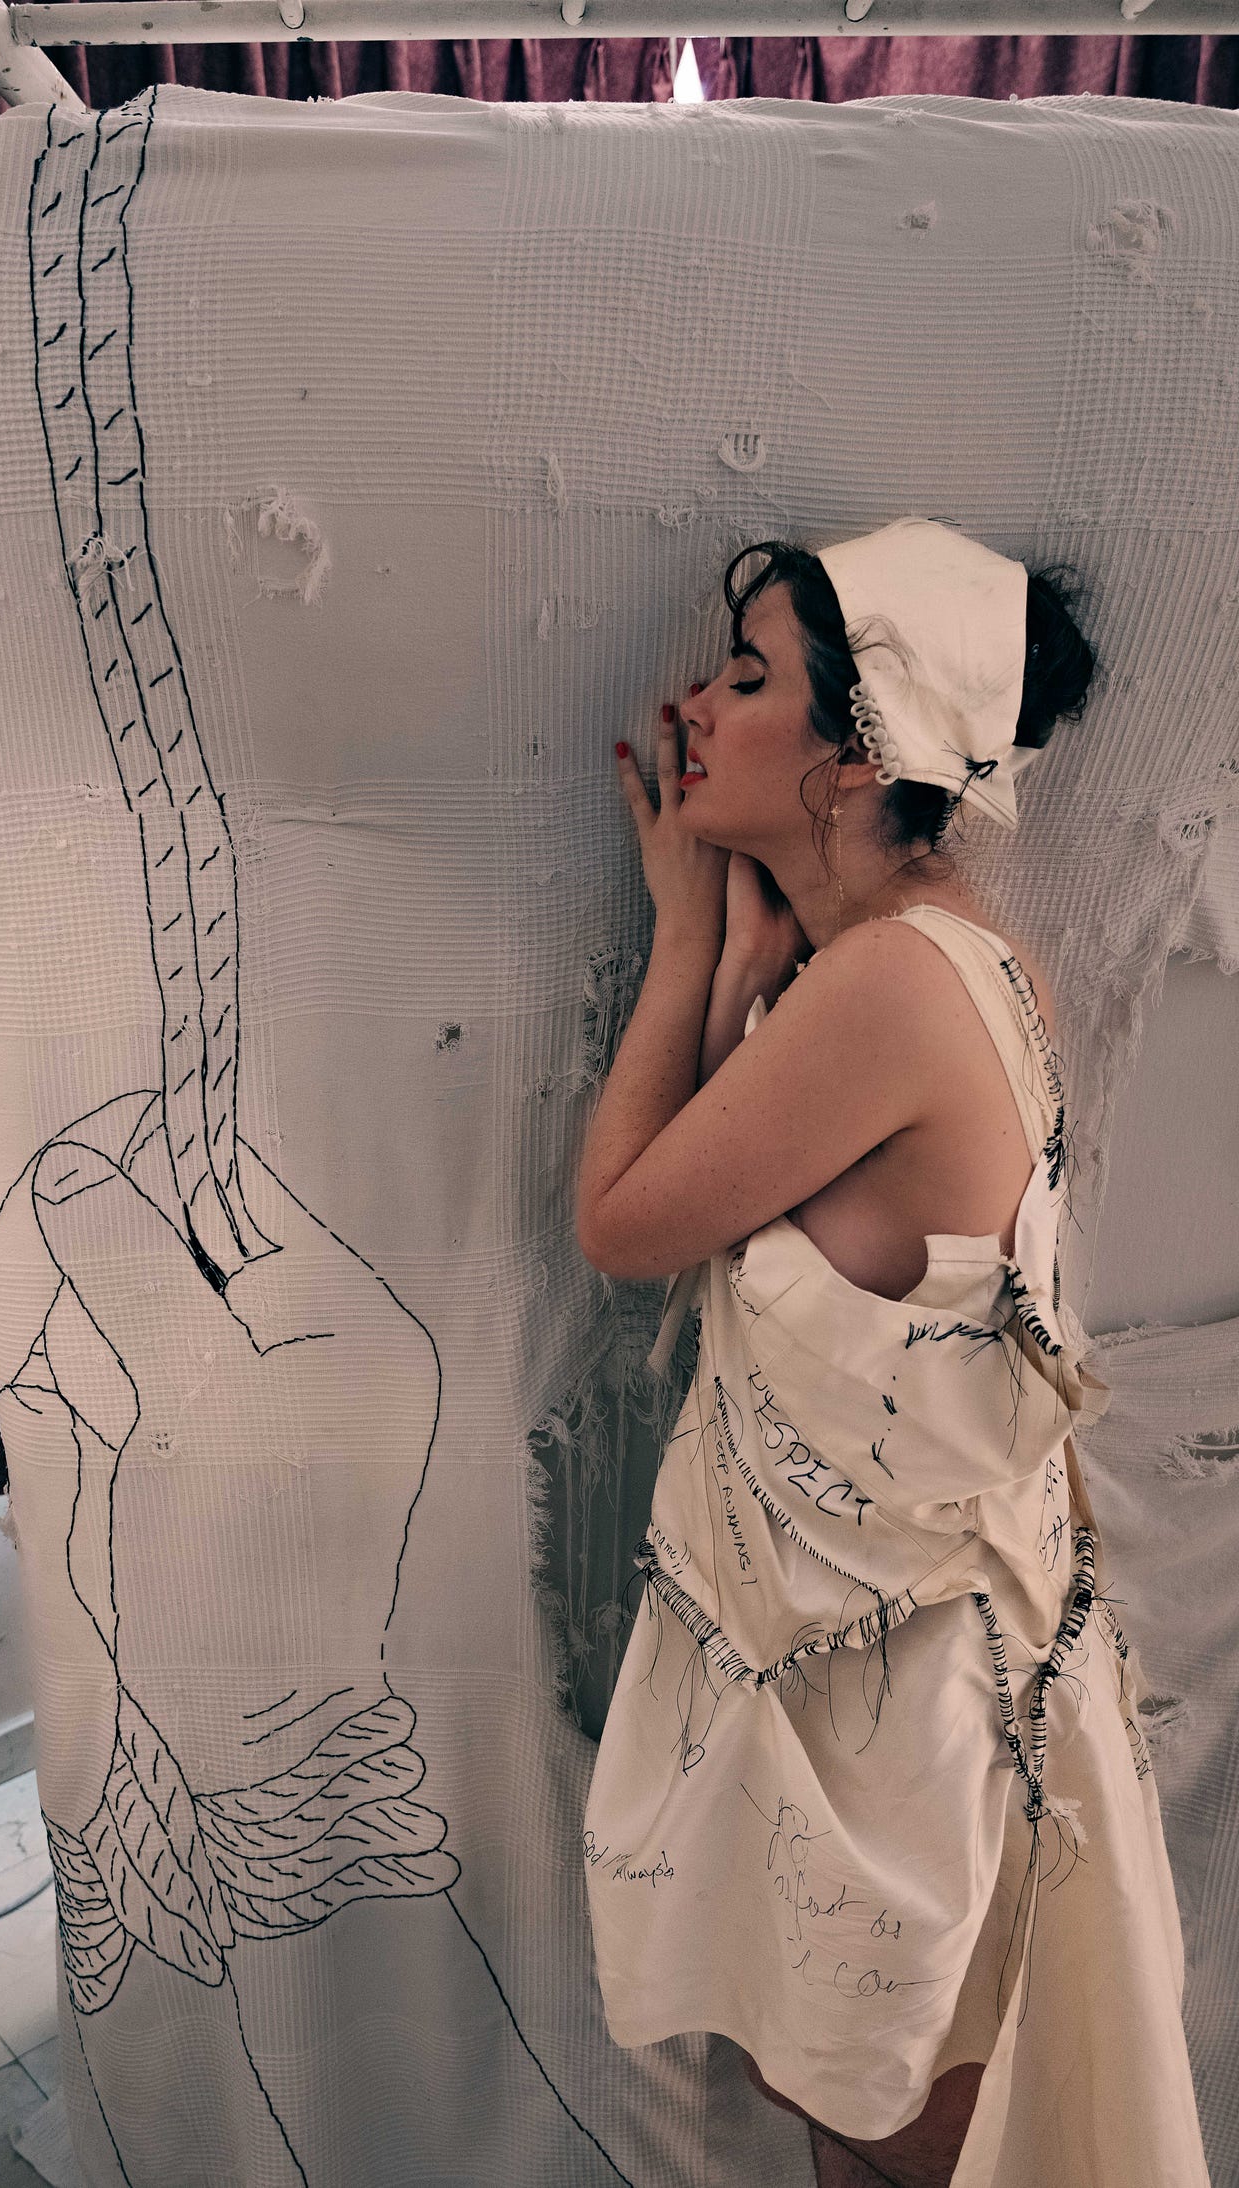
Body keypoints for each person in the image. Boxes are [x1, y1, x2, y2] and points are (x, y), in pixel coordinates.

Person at [582, 521, 1211, 2188]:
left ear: (857, 756)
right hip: (875, 1679)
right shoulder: (923, 955)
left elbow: (627, 1223)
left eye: (746, 678)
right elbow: (746, 1210)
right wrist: (733, 966)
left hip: (906, 1710)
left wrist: (676, 945)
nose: (692, 707)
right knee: (862, 2132)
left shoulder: (893, 986)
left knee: (912, 2148)